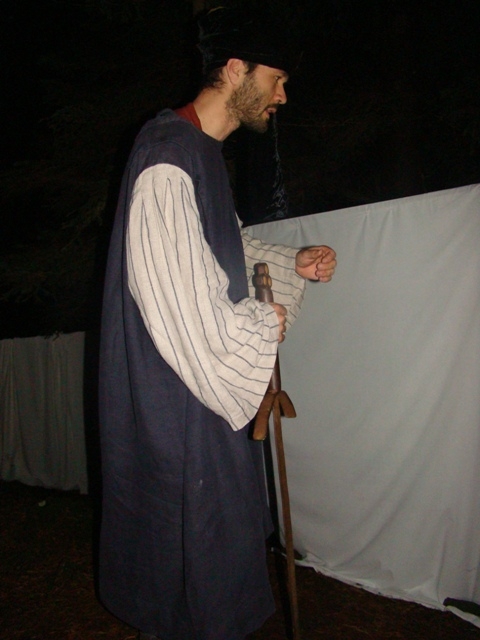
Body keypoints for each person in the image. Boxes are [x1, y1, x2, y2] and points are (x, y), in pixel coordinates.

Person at [98, 6, 336, 640]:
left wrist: (289, 265)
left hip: (204, 402)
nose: (282, 96)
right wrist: (257, 324)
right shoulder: (166, 155)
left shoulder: (199, 155)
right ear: (235, 69)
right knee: (189, 569)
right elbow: (179, 298)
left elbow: (221, 253)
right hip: (179, 404)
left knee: (215, 555)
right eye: (276, 80)